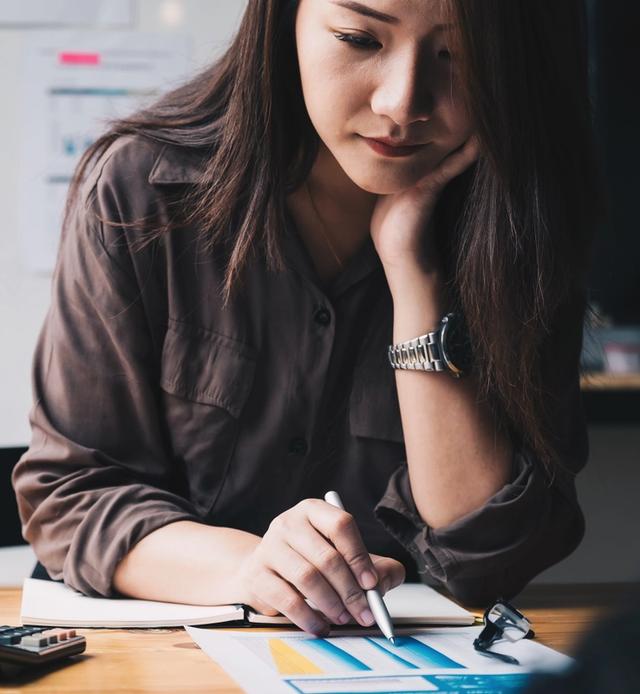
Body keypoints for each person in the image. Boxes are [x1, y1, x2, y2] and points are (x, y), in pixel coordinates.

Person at [12, 0, 602, 637]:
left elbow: (490, 557)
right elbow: (72, 495)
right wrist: (256, 568)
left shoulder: (524, 222)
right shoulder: (141, 189)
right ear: (283, 21)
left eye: (457, 55)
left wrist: (413, 274)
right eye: (359, 38)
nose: (403, 103)